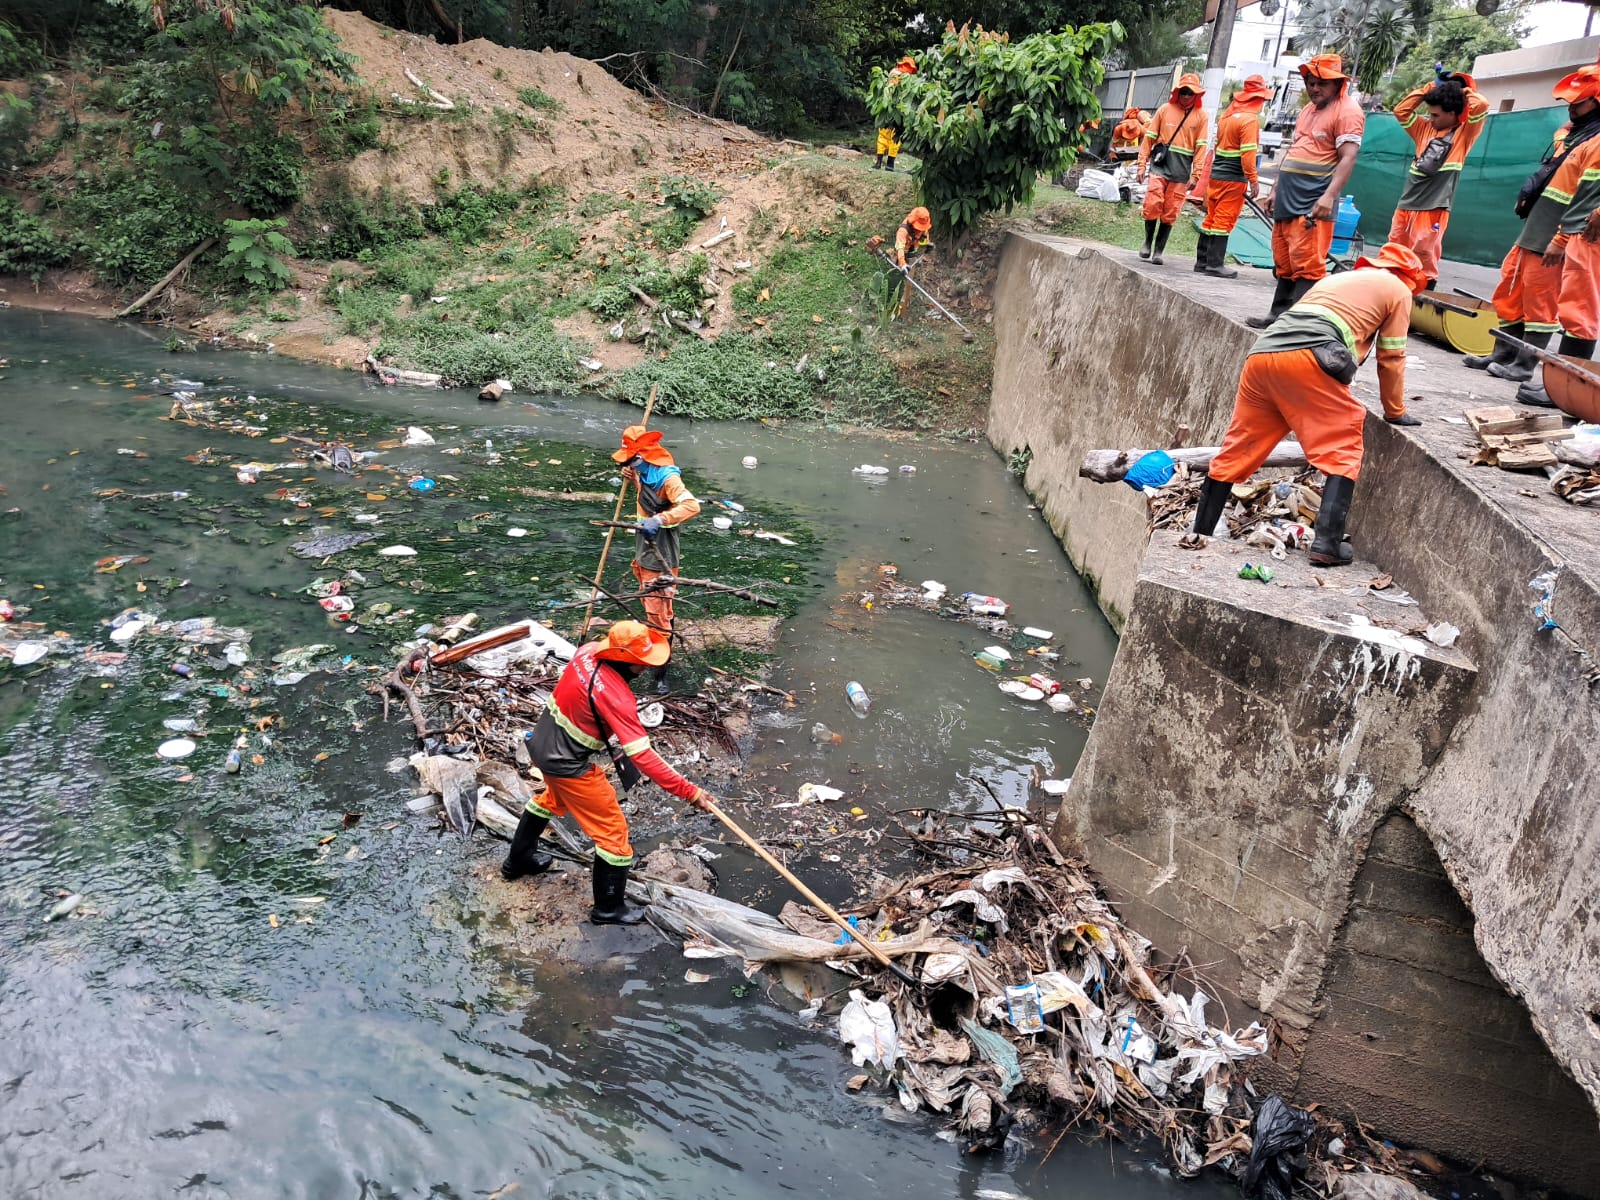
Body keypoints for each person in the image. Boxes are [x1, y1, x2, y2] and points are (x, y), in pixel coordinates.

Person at [1191, 243, 1428, 567]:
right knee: (1343, 444)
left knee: (1239, 448)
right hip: (1309, 357)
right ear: (1411, 276)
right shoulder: (1398, 289)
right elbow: (1391, 357)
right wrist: (1395, 412)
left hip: (1262, 356)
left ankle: (1200, 532)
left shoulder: (1340, 279)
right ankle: (1327, 544)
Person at [501, 621, 714, 925]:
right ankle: (608, 908)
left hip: (541, 744)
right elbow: (642, 756)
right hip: (566, 764)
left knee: (552, 799)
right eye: (642, 663)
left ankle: (517, 860)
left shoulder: (587, 652)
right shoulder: (617, 696)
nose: (644, 668)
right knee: (614, 835)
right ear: (628, 662)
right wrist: (689, 792)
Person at [1466, 65, 1600, 384]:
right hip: (1537, 226)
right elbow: (1564, 131)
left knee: (1543, 302)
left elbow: (1585, 198)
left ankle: (1527, 363)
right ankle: (1505, 352)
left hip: (1556, 233)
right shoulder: (1574, 137)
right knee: (1510, 290)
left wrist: (1562, 239)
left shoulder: (1595, 143)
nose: (1571, 108)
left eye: (1578, 103)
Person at [1246, 55, 1365, 329]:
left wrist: (1329, 196)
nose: (1315, 88)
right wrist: (1275, 188)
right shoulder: (1308, 111)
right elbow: (1293, 150)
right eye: (1311, 83)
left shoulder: (1347, 111)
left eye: (1322, 83)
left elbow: (1348, 157)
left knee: (1308, 263)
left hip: (1314, 197)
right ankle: (1277, 315)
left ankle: (1297, 324)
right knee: (1285, 259)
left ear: (1337, 84)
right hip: (1289, 194)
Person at [612, 424, 700, 694]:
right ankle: (661, 659)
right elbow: (642, 486)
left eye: (631, 461)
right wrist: (630, 476)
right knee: (658, 607)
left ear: (643, 458)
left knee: (658, 613)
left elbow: (692, 505)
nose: (629, 465)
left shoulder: (667, 478)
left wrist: (660, 518)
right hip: (644, 547)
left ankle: (660, 675)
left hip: (661, 552)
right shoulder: (643, 472)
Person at [1388, 71, 1489, 288]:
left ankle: (1424, 296)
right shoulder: (1423, 129)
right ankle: (1390, 292)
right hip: (1407, 204)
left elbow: (1481, 105)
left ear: (1453, 114)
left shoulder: (1464, 135)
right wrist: (1430, 88)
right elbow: (1401, 111)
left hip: (1433, 207)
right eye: (1430, 114)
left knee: (1424, 253)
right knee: (1395, 251)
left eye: (1436, 116)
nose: (1431, 120)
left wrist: (1460, 90)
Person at [1197, 75, 1272, 279]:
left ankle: (1202, 261)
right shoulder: (1249, 121)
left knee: (1211, 217)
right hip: (1233, 177)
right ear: (1257, 99)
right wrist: (1253, 179)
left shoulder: (1227, 117)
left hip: (1217, 175)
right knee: (1224, 219)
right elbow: (1248, 155)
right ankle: (1214, 264)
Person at [1137, 74, 1209, 265]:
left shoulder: (1201, 116)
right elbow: (1148, 139)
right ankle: (1147, 243)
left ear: (1196, 95)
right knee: (1153, 203)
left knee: (1170, 211)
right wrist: (1142, 165)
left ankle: (1159, 251)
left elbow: (1201, 147)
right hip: (1160, 166)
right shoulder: (1165, 110)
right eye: (1183, 92)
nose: (1186, 96)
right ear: (1177, 92)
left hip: (1181, 171)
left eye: (1190, 93)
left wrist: (1196, 174)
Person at [874, 55, 917, 171]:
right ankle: (889, 165)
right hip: (899, 113)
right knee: (894, 139)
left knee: (883, 137)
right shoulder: (910, 80)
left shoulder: (893, 73)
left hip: (887, 111)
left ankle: (878, 163)